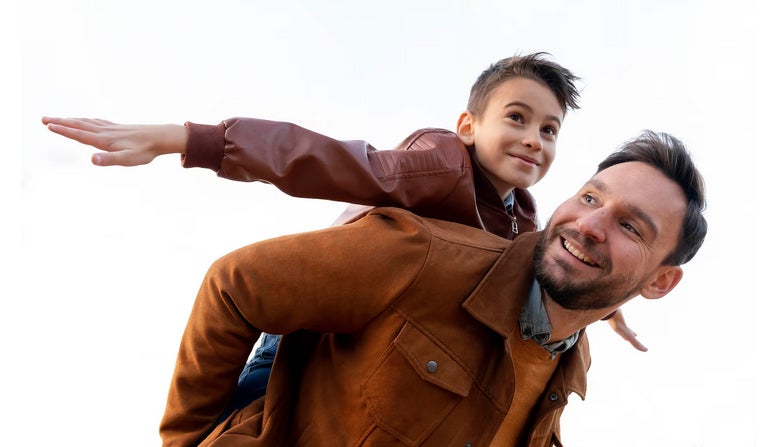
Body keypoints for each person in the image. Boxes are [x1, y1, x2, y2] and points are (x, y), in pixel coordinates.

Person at [42, 53, 643, 404]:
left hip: (386, 354)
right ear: (467, 125)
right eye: (517, 118)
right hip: (311, 334)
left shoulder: (525, 220)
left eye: (550, 129)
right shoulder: (441, 161)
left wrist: (606, 305)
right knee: (260, 420)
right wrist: (188, 139)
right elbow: (329, 160)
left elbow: (548, 268)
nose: (534, 139)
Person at [156, 130, 707, 446]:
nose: (588, 224)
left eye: (630, 225)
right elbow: (235, 284)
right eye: (590, 198)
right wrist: (187, 441)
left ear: (660, 282)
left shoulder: (568, 371)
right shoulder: (423, 255)